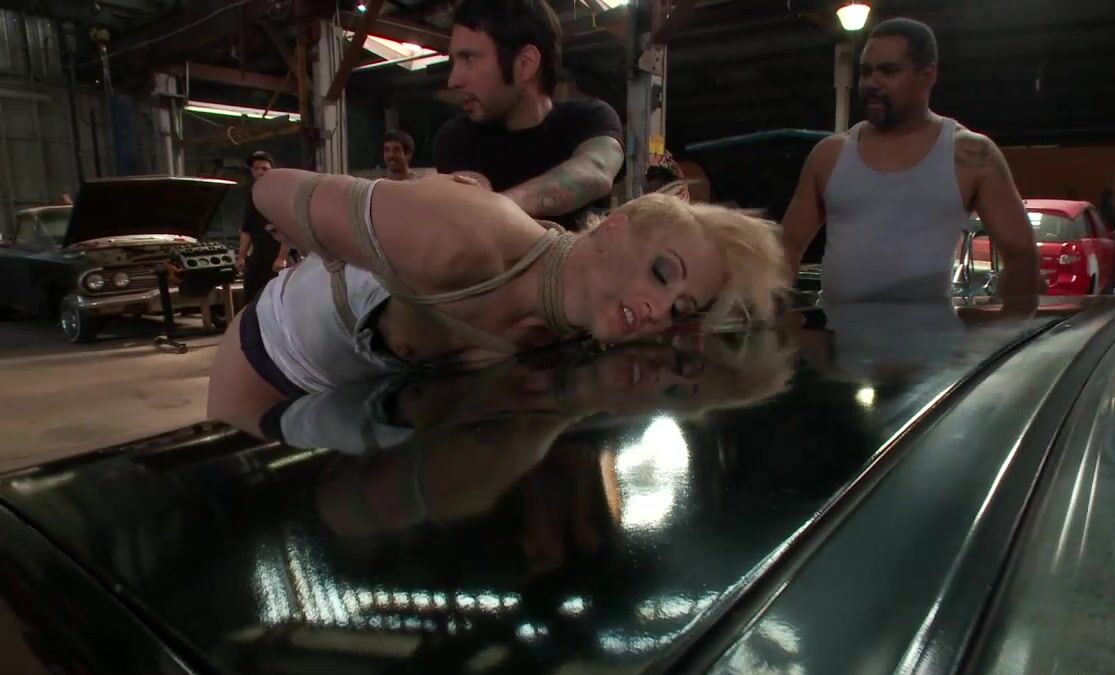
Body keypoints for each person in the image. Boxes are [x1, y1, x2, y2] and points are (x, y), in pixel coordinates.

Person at [205, 169, 788, 431]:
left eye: (680, 308)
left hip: (353, 406)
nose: (661, 310)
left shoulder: (575, 342)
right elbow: (269, 188)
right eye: (663, 273)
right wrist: (331, 242)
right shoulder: (470, 237)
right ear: (615, 228)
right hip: (267, 359)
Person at [781, 17, 1038, 312]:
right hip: (837, 334)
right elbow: (787, 247)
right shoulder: (829, 155)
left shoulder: (971, 155)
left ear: (927, 75)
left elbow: (1021, 255)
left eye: (888, 71)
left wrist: (1008, 327)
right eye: (866, 71)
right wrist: (772, 320)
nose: (872, 83)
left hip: (927, 338)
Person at [431, 0, 624, 231]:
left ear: (524, 64)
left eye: (469, 58)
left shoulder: (590, 119)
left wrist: (493, 208)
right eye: (454, 62)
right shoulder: (455, 139)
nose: (453, 80)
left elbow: (596, 171)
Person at [236, 151, 289, 301]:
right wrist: (241, 256)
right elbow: (247, 229)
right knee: (251, 299)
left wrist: (282, 257)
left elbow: (288, 229)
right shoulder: (252, 195)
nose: (260, 172)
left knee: (278, 301)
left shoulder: (281, 195)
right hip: (258, 257)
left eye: (264, 168)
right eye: (256, 168)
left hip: (277, 256)